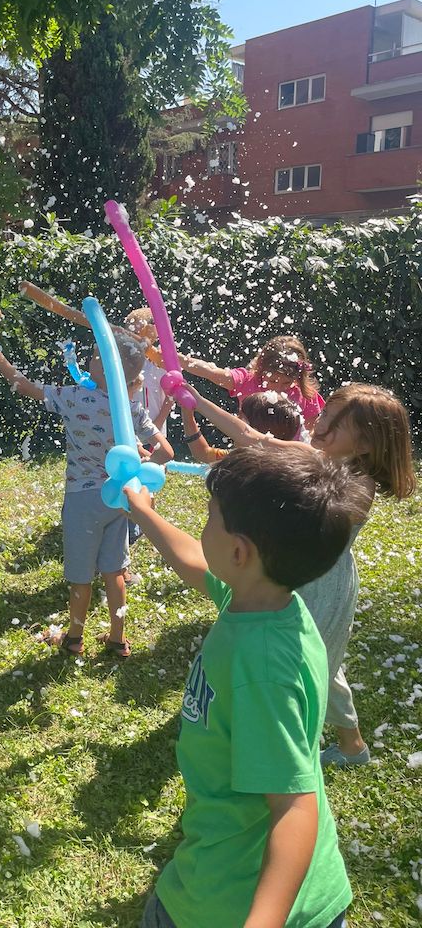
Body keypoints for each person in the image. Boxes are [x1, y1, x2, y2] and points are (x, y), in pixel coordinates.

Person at [126, 446, 370, 928]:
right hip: (257, 874)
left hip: (232, 897)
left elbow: (294, 807)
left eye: (209, 517)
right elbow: (195, 562)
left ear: (239, 553)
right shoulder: (268, 601)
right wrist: (143, 512)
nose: (203, 528)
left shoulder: (261, 666)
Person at [184, 381, 416, 767]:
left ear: (364, 445)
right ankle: (352, 744)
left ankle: (285, 750)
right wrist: (197, 401)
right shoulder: (314, 457)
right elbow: (250, 437)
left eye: (335, 422)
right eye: (326, 412)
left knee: (302, 663)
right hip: (296, 569)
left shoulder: (357, 484)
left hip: (322, 583)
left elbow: (307, 507)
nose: (321, 422)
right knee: (319, 659)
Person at [0, 324, 173, 658]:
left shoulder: (74, 397)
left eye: (96, 356)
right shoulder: (132, 408)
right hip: (119, 497)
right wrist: (140, 460)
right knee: (115, 571)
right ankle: (118, 639)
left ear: (106, 368)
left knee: (81, 577)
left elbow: (24, 386)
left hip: (82, 498)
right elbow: (166, 451)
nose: (89, 359)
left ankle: (74, 638)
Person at [178, 334, 325, 431]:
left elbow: (310, 434)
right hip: (248, 448)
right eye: (273, 381)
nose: (279, 389)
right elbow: (212, 371)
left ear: (297, 377)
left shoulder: (305, 395)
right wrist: (178, 359)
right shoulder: (247, 381)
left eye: (287, 383)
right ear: (261, 369)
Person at [181, 390, 304, 464]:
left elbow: (246, 435)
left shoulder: (282, 466)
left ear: (256, 430)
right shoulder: (237, 457)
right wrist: (187, 414)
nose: (235, 418)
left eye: (240, 417)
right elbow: (203, 453)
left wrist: (199, 403)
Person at [124, 307, 174, 432]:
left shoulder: (160, 360)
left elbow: (171, 395)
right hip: (127, 430)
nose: (135, 337)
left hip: (155, 429)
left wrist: (158, 423)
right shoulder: (124, 359)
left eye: (138, 332)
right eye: (131, 332)